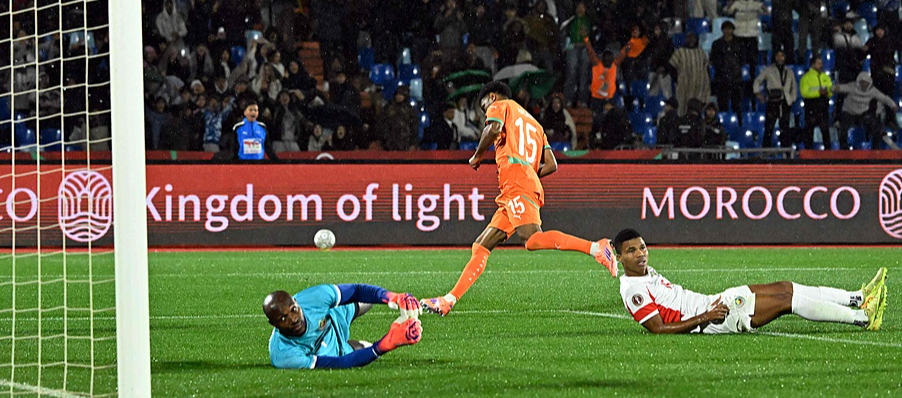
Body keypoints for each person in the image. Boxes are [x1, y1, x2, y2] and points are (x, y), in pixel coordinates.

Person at [420, 82, 617, 317]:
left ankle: (597, 247)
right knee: (481, 246)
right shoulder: (536, 124)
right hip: (520, 183)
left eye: (484, 107)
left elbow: (493, 129)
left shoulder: (500, 105)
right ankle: (448, 301)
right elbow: (552, 165)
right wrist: (529, 174)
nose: (486, 111)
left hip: (516, 180)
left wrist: (477, 155)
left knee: (532, 239)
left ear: (492, 97)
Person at [613, 228, 887, 334]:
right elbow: (658, 329)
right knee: (786, 301)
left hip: (714, 303)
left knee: (785, 287)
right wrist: (706, 316)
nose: (641, 254)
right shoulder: (632, 290)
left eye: (643, 247)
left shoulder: (642, 273)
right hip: (713, 319)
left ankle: (858, 297)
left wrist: (709, 307)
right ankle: (861, 318)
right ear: (621, 256)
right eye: (632, 251)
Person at [264, 284, 422, 369]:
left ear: (297, 303)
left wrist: (392, 297)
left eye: (294, 310)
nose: (293, 319)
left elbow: (357, 290)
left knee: (367, 301)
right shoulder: (284, 355)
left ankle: (415, 305)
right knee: (362, 348)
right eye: (283, 318)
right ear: (274, 324)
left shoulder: (313, 297)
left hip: (335, 316)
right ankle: (354, 345)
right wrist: (385, 344)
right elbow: (342, 364)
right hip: (329, 351)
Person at [835, 72, 899, 150]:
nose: (864, 85)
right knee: (843, 128)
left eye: (865, 83)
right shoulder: (852, 87)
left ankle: (875, 150)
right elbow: (841, 88)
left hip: (863, 114)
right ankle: (844, 150)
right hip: (849, 112)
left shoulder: (872, 90)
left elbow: (884, 98)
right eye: (862, 82)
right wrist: (835, 88)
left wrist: (892, 104)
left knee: (876, 128)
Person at [753, 50, 798, 147]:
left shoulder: (789, 71)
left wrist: (792, 99)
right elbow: (757, 81)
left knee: (785, 128)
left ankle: (786, 151)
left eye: (782, 56)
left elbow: (794, 86)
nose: (780, 58)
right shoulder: (769, 70)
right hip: (773, 101)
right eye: (778, 55)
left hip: (785, 101)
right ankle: (766, 151)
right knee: (769, 128)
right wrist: (757, 93)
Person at [668, 33, 710, 116]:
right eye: (689, 37)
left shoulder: (701, 52)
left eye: (693, 38)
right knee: (683, 107)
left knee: (697, 106)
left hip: (699, 86)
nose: (691, 40)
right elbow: (671, 66)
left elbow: (707, 68)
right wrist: (676, 79)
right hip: (684, 85)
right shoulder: (680, 52)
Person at [709, 21, 744, 118]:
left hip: (736, 77)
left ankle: (738, 124)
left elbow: (742, 58)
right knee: (722, 104)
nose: (728, 31)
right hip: (721, 77)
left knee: (737, 104)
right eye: (725, 29)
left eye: (729, 28)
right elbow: (713, 59)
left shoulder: (739, 43)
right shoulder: (716, 44)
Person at [799, 56, 833, 149]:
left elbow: (830, 89)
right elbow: (804, 92)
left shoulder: (825, 76)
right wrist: (818, 92)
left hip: (823, 106)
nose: (820, 65)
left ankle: (828, 152)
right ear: (813, 64)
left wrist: (827, 92)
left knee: (825, 131)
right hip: (811, 106)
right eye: (818, 63)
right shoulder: (806, 78)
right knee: (809, 130)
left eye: (821, 63)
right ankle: (809, 151)